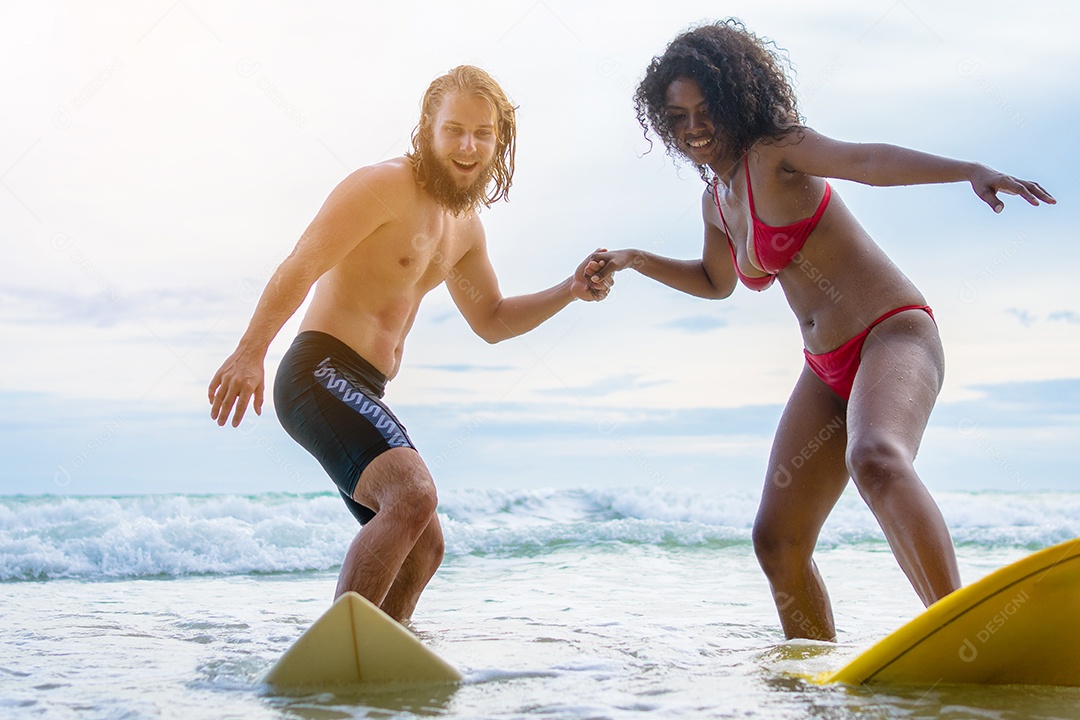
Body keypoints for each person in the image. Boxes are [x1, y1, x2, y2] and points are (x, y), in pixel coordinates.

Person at [586, 20, 1054, 640]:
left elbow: (867, 160)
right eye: (677, 116)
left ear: (734, 100)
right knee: (776, 540)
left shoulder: (777, 150)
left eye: (705, 110)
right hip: (825, 369)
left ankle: (961, 633)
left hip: (892, 335)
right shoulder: (718, 201)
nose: (694, 127)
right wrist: (634, 259)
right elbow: (714, 280)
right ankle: (810, 676)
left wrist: (969, 168)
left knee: (876, 457)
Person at [209, 65, 609, 622]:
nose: (468, 146)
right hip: (318, 372)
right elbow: (302, 264)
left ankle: (374, 660)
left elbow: (492, 319)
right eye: (454, 130)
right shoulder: (382, 186)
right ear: (428, 127)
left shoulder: (466, 228)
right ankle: (338, 651)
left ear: (501, 139)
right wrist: (250, 350)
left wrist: (569, 290)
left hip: (365, 388)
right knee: (413, 496)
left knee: (426, 545)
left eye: (483, 132)